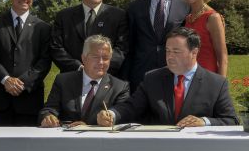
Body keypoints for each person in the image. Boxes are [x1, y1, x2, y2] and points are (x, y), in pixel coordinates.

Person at [99, 27, 238, 127]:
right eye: (167, 51)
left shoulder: (216, 83)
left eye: (176, 52)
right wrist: (112, 114)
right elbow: (132, 107)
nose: (169, 56)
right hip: (159, 150)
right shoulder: (152, 78)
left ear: (194, 52)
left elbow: (231, 120)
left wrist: (204, 121)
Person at [0, 0, 52, 126]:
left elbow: (45, 60)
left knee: (28, 149)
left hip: (29, 101)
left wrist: (23, 82)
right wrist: (5, 79)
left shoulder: (43, 28)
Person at [120, 0, 189, 93]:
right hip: (140, 77)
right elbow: (129, 47)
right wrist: (124, 82)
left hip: (174, 75)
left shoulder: (185, 5)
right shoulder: (134, 7)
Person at [51, 0, 128, 77]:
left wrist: (99, 68)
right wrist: (78, 67)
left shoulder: (119, 16)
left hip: (107, 81)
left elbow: (122, 49)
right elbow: (56, 48)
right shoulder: (64, 16)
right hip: (72, 79)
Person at [40, 35, 130, 127]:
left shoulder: (119, 87)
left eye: (105, 58)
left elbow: (122, 114)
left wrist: (109, 118)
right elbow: (49, 109)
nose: (101, 62)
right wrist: (48, 117)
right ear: (83, 58)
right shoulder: (63, 81)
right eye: (95, 57)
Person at [181, 0, 228, 76]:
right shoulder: (188, 18)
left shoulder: (213, 18)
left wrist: (220, 88)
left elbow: (223, 57)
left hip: (208, 80)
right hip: (188, 79)